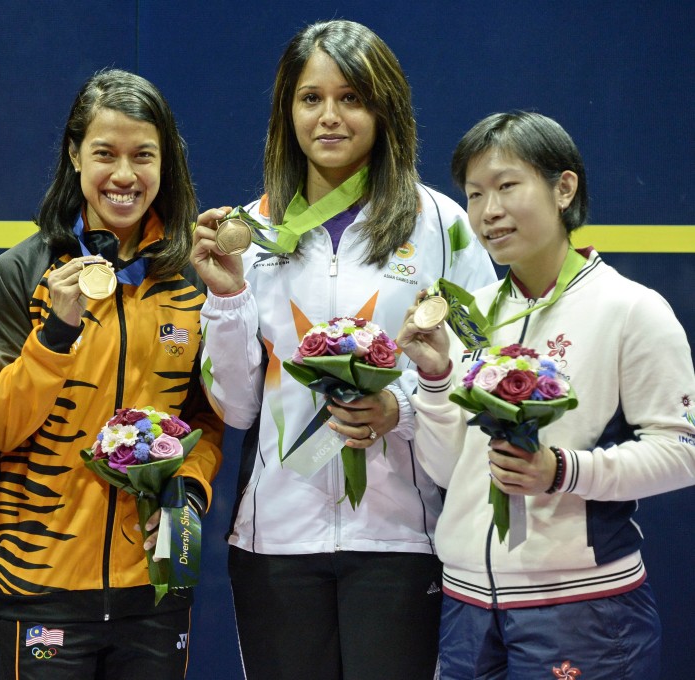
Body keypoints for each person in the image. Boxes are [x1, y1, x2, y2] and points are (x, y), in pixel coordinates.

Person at [190, 19, 496, 680]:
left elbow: (482, 367)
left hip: (403, 536)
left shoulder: (444, 226)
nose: (330, 116)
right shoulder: (253, 232)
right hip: (277, 536)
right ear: (286, 111)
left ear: (384, 109)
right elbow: (237, 409)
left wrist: (402, 408)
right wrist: (225, 298)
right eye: (311, 98)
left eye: (352, 98)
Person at [395, 111, 695, 679]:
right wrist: (435, 380)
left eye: (508, 186)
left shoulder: (632, 309)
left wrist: (561, 470)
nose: (489, 211)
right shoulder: (470, 314)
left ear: (564, 187)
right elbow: (444, 470)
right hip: (466, 606)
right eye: (475, 193)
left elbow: (683, 452)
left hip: (584, 606)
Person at [0, 68, 222, 680]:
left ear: (166, 164)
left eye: (143, 156)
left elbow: (205, 420)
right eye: (105, 154)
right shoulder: (22, 272)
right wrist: (56, 333)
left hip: (155, 580)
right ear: (74, 155)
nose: (124, 176)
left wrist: (187, 492)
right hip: (39, 577)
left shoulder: (191, 281)